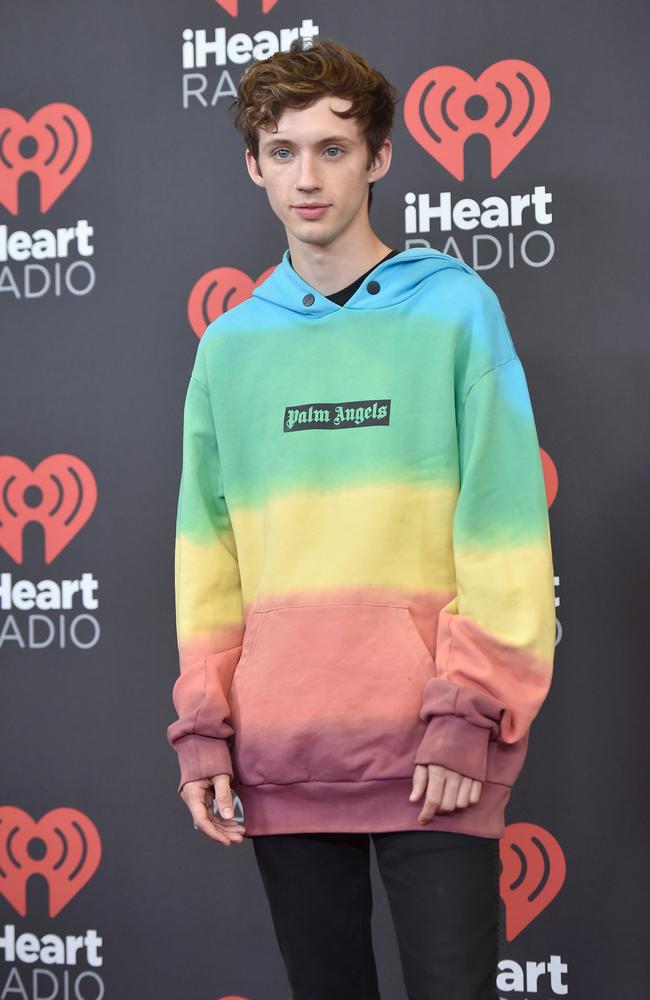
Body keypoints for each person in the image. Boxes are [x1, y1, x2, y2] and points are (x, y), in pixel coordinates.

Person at [166, 36, 556, 1000]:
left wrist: (471, 717)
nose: (309, 176)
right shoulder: (230, 348)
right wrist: (204, 729)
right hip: (284, 751)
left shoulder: (457, 312)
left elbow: (505, 530)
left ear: (378, 158)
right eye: (285, 150)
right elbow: (208, 553)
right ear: (253, 165)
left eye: (334, 149)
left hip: (438, 757)